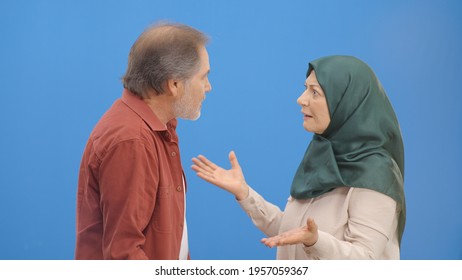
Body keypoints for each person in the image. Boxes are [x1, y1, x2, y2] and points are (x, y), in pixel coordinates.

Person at [192, 55, 405, 259]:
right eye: (305, 89)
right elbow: (293, 232)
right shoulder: (323, 154)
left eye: (315, 92)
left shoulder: (375, 174)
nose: (301, 99)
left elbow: (366, 260)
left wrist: (315, 241)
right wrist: (245, 194)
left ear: (346, 102)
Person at [75, 22, 212, 260]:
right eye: (203, 77)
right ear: (174, 84)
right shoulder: (132, 141)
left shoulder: (160, 128)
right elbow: (124, 255)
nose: (208, 87)